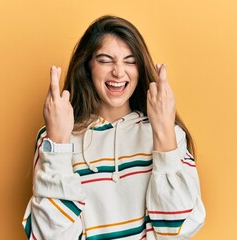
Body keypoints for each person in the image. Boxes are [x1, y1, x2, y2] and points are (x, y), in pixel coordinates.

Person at [22, 15, 205, 239]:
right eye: (105, 60)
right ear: (87, 67)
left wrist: (164, 130)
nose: (119, 72)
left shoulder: (167, 134)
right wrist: (58, 145)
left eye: (130, 61)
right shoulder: (57, 136)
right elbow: (50, 235)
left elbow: (176, 232)